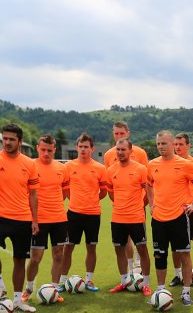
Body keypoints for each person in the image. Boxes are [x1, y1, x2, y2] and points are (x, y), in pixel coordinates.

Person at [0, 124, 40, 313]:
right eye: (4, 138)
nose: (7, 142)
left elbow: (33, 194)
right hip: (0, 218)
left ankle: (17, 300)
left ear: (20, 141)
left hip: (23, 219)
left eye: (11, 139)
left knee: (20, 260)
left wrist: (35, 220)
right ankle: (0, 286)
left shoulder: (30, 164)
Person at [148, 131, 193, 306]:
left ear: (172, 144)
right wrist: (152, 203)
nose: (160, 147)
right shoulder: (152, 164)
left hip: (179, 218)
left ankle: (186, 292)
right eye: (158, 144)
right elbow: (148, 184)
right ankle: (160, 290)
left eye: (164, 143)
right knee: (159, 255)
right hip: (158, 219)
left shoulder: (185, 165)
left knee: (184, 255)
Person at [60, 133, 109, 291]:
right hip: (73, 213)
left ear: (92, 149)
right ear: (76, 148)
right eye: (80, 146)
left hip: (93, 214)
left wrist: (92, 200)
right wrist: (76, 200)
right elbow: (65, 189)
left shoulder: (100, 168)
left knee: (91, 247)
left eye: (86, 147)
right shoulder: (68, 166)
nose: (83, 149)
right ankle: (62, 281)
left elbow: (104, 191)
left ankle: (89, 280)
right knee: (68, 247)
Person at [24, 134, 69, 301]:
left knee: (58, 255)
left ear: (54, 150)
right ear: (37, 148)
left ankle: (54, 289)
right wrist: (33, 218)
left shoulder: (62, 168)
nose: (46, 153)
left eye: (49, 150)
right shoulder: (30, 166)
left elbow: (64, 192)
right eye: (43, 149)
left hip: (59, 219)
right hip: (38, 220)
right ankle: (28, 289)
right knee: (36, 258)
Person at [106, 138, 152, 295]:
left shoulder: (141, 169)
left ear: (131, 151)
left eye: (123, 149)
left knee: (142, 249)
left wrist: (139, 205)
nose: (119, 152)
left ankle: (146, 284)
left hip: (136, 217)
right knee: (119, 250)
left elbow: (148, 192)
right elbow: (111, 194)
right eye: (117, 150)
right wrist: (121, 205)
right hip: (117, 218)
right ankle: (124, 281)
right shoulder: (111, 171)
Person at [103, 121, 148, 276]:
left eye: (121, 133)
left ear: (128, 133)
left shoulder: (140, 153)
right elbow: (110, 183)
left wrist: (142, 203)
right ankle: (130, 268)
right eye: (116, 133)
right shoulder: (109, 155)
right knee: (124, 240)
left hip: (138, 205)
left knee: (140, 240)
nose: (118, 136)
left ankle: (139, 267)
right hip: (120, 208)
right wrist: (119, 202)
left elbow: (146, 181)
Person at [171, 132, 193, 288]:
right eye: (175, 144)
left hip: (192, 210)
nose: (178, 147)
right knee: (175, 245)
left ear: (188, 146)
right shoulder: (170, 162)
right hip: (174, 210)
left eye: (181, 144)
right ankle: (178, 275)